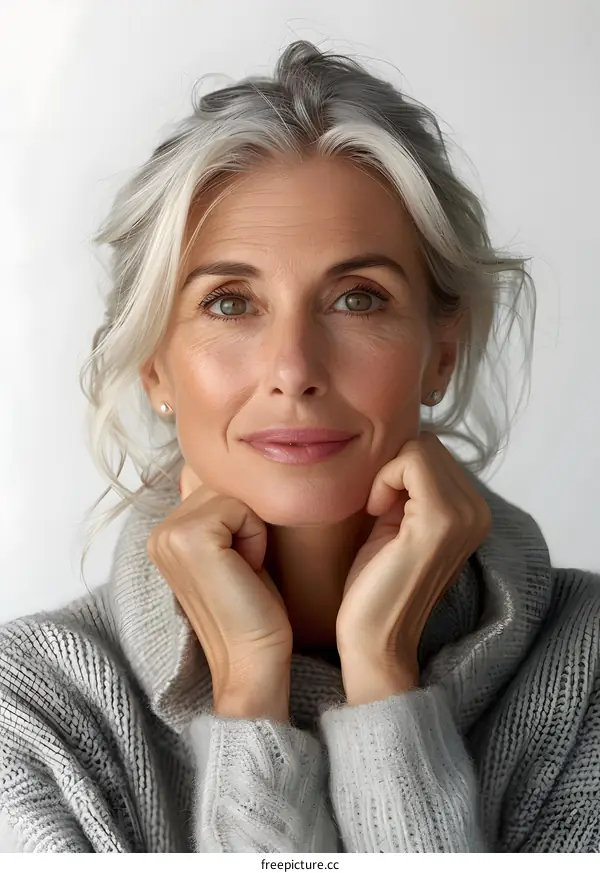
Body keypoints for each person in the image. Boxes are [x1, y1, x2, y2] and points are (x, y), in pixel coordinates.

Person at [1, 40, 598, 854]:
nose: (294, 369)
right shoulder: (29, 712)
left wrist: (383, 674)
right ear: (153, 364)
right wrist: (247, 692)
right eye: (230, 303)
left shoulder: (587, 666)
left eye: (358, 297)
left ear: (443, 351)